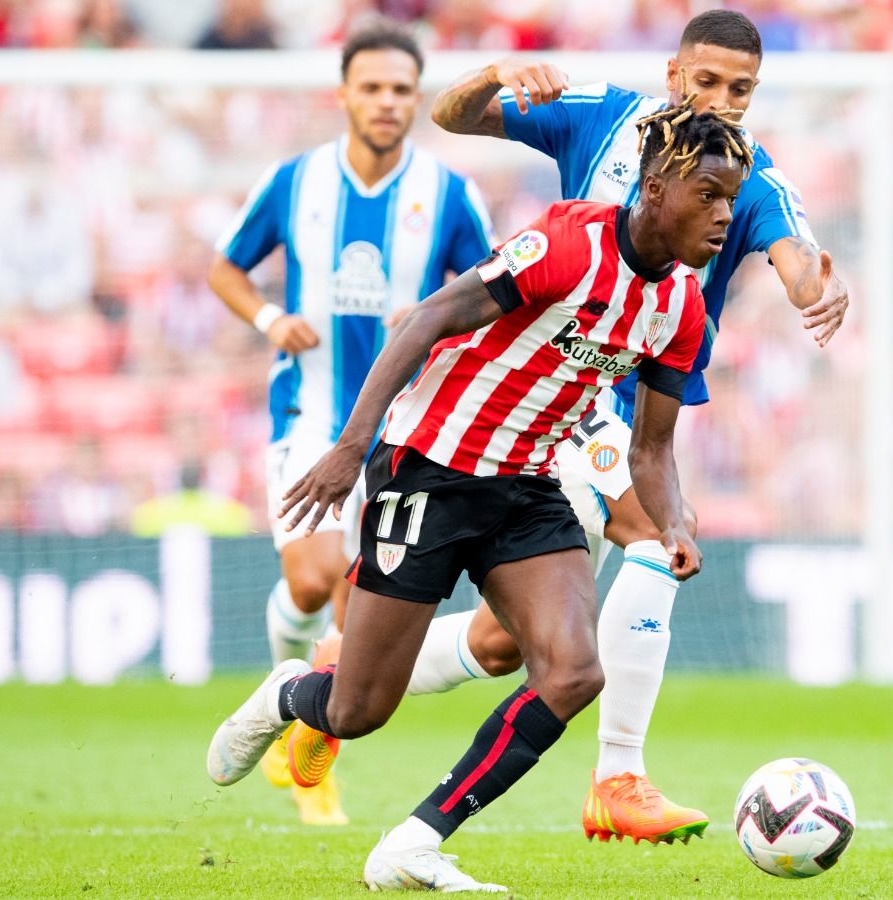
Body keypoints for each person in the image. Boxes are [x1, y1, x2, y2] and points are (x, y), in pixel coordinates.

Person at [285, 8, 850, 845]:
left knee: (508, 649)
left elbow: (794, 253)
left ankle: (336, 689)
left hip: (635, 411)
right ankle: (619, 774)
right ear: (672, 74)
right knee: (655, 539)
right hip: (554, 396)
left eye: (741, 89)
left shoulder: (753, 179)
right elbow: (454, 114)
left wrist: (814, 289)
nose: (724, 101)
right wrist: (498, 80)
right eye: (707, 82)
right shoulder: (601, 113)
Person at [207, 101, 741, 893]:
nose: (725, 215)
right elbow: (425, 320)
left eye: (731, 198)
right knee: (358, 711)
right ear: (656, 187)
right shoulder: (566, 244)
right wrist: (352, 449)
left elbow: (653, 448)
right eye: (709, 194)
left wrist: (673, 521)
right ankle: (290, 693)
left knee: (571, 672)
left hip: (527, 485)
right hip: (428, 466)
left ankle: (413, 843)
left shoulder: (681, 308)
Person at [206, 18, 494, 825]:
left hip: (405, 427)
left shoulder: (448, 194)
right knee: (310, 578)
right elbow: (225, 266)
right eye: (371, 87)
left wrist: (438, 315)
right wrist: (269, 319)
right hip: (309, 412)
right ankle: (285, 692)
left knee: (351, 607)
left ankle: (310, 757)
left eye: (402, 89)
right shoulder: (296, 182)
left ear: (417, 99)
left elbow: (498, 291)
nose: (386, 102)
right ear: (343, 95)